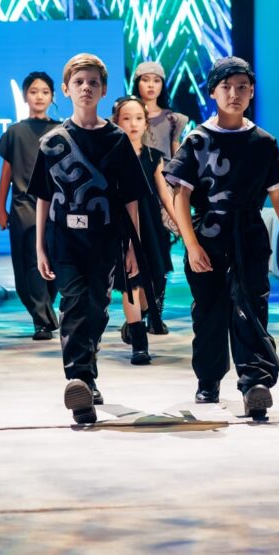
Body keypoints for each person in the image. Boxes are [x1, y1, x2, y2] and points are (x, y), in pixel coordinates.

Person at [164, 57, 279, 421]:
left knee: (251, 308)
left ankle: (255, 384)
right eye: (226, 87)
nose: (234, 94)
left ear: (252, 92)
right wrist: (191, 244)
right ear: (213, 92)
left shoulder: (263, 142)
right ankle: (208, 380)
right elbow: (180, 196)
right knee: (209, 311)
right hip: (208, 234)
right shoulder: (197, 140)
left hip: (250, 234)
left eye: (242, 87)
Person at [28, 53, 150, 424]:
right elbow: (43, 196)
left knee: (97, 306)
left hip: (105, 237)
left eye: (93, 82)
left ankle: (87, 372)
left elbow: (131, 198)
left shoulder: (117, 139)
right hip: (64, 237)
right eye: (78, 82)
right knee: (74, 303)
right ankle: (79, 378)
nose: (86, 88)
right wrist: (39, 246)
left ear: (104, 89)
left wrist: (133, 247)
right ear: (66, 90)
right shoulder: (52, 142)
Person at [110, 95, 179, 365]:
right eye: (126, 118)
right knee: (132, 283)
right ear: (116, 122)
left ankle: (135, 321)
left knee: (154, 283)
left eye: (138, 118)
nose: (133, 124)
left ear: (146, 123)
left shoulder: (153, 156)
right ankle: (139, 343)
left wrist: (181, 223)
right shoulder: (112, 156)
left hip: (152, 227)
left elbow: (165, 195)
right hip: (124, 226)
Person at [0, 71, 61, 340]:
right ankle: (43, 320)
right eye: (34, 91)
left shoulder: (62, 130)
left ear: (53, 96)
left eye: (45, 92)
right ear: (25, 96)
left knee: (53, 263)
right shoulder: (15, 132)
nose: (39, 97)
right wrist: (1, 209)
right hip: (24, 207)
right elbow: (6, 173)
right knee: (28, 266)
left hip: (56, 206)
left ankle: (44, 314)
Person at [131, 60, 186, 331]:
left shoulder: (173, 119)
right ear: (137, 83)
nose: (151, 85)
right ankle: (137, 314)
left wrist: (175, 199)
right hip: (132, 192)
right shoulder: (127, 113)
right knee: (134, 253)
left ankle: (156, 313)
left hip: (161, 191)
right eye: (145, 79)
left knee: (160, 254)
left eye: (156, 80)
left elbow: (176, 159)